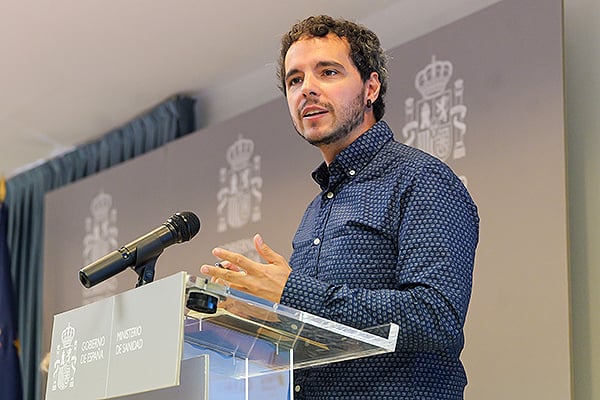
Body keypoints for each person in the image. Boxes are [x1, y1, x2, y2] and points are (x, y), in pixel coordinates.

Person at [200, 15, 479, 400]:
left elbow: (435, 318)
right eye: (294, 80)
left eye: (327, 72)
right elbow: (321, 334)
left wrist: (292, 292)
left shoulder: (421, 179)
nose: (306, 90)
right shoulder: (315, 211)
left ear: (371, 86)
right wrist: (262, 320)